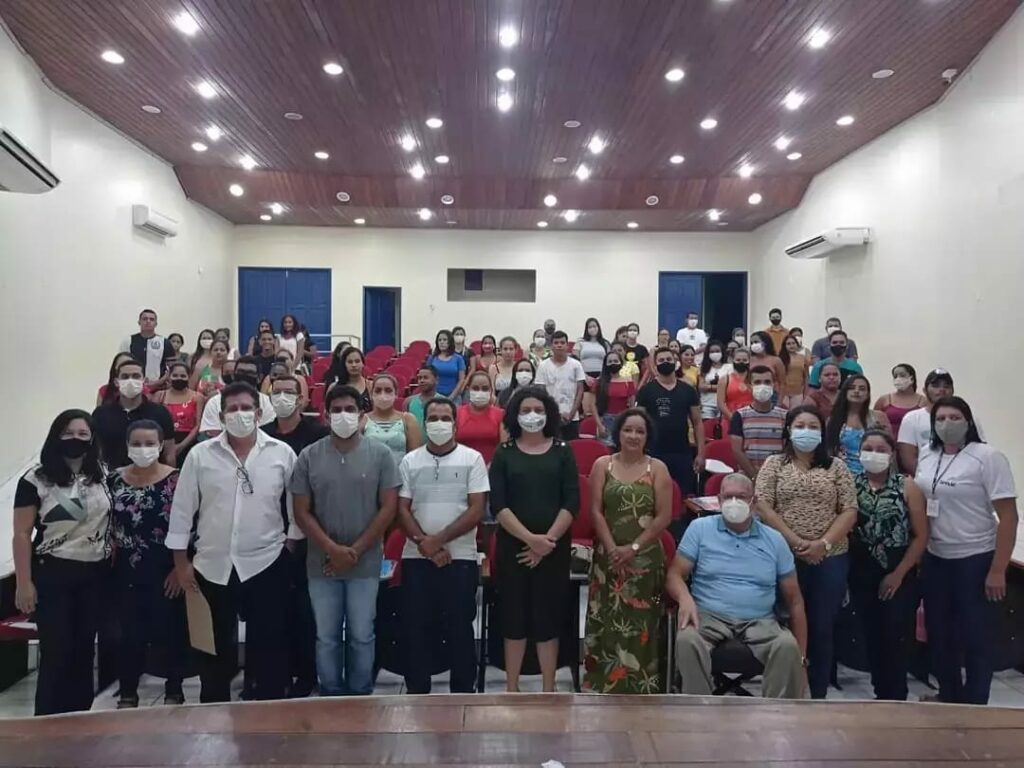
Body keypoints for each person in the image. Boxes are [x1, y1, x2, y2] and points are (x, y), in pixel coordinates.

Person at [168, 381, 300, 702]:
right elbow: (182, 511)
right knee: (213, 653)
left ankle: (266, 713)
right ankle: (215, 714)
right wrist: (181, 564)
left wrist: (290, 546)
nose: (239, 414)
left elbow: (295, 508)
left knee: (268, 649)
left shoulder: (281, 453)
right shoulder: (200, 455)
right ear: (221, 415)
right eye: (232, 409)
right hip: (212, 565)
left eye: (246, 408)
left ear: (258, 413)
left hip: (266, 562)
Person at [291, 384, 401, 696]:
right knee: (326, 636)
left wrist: (354, 551)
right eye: (336, 410)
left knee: (362, 634)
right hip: (321, 563)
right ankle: (330, 693)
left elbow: (389, 508)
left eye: (349, 409)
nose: (343, 415)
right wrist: (332, 550)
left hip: (365, 563)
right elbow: (301, 511)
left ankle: (360, 693)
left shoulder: (380, 454)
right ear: (325, 416)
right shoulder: (309, 456)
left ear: (361, 414)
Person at [667, 473, 807, 699]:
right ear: (719, 500)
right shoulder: (699, 529)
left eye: (741, 497)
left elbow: (795, 600)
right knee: (687, 640)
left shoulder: (775, 540)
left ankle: (777, 715)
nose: (734, 502)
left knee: (787, 646)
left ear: (754, 501)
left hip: (760, 619)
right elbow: (674, 575)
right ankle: (697, 710)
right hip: (708, 615)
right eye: (728, 497)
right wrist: (685, 599)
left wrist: (802, 660)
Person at [915, 396, 1017, 705]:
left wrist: (998, 570)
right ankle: (949, 696)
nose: (947, 424)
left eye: (954, 417)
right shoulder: (928, 454)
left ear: (968, 422)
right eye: (940, 418)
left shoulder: (988, 457)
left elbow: (1008, 517)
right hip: (936, 558)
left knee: (976, 637)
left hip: (975, 559)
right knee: (939, 634)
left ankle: (974, 704)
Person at [13, 410, 111, 715]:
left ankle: (78, 721)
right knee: (57, 653)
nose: (75, 439)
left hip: (94, 575)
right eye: (68, 433)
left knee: (84, 653)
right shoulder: (36, 479)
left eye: (83, 434)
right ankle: (47, 723)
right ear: (56, 436)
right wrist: (23, 583)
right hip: (53, 573)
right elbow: (21, 534)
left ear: (92, 439)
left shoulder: (103, 475)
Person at [756, 405, 858, 699]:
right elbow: (763, 505)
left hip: (830, 556)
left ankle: (818, 693)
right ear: (788, 430)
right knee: (785, 622)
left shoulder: (836, 466)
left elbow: (849, 510)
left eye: (813, 426)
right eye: (800, 426)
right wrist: (794, 541)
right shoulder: (775, 464)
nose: (806, 431)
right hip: (784, 555)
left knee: (822, 626)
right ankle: (786, 689)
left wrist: (822, 544)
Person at [489, 386, 580, 692]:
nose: (532, 415)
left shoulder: (563, 451)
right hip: (513, 548)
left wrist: (546, 543)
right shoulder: (504, 453)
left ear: (549, 414)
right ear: (515, 415)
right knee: (513, 617)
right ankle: (512, 688)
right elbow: (498, 505)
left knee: (548, 618)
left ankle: (548, 688)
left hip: (554, 549)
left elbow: (571, 502)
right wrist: (531, 540)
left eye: (538, 410)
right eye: (526, 410)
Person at [397, 397, 489, 693]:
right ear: (425, 424)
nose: (439, 423)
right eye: (433, 418)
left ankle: (462, 691)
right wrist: (425, 545)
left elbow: (476, 509)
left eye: (445, 418)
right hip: (416, 557)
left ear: (455, 423)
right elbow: (401, 509)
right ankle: (417, 692)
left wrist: (437, 541)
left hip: (460, 557)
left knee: (460, 626)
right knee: (416, 626)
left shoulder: (472, 459)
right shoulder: (410, 461)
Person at [584, 409, 672, 693]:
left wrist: (633, 548)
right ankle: (603, 685)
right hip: (608, 560)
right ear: (618, 433)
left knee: (642, 626)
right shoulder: (603, 465)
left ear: (647, 437)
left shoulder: (657, 468)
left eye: (640, 431)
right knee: (607, 622)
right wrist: (613, 549)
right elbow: (596, 512)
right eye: (628, 430)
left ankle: (641, 688)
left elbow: (663, 517)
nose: (633, 436)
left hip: (645, 561)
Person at [108, 420, 187, 708]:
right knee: (128, 633)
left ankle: (174, 689)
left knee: (171, 630)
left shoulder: (177, 479)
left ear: (161, 445)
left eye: (150, 443)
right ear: (127, 446)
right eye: (137, 444)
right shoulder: (113, 480)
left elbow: (191, 524)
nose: (143, 449)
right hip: (124, 570)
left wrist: (181, 568)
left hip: (167, 568)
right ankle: (127, 692)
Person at [261, 374, 327, 698]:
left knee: (305, 609)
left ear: (303, 399)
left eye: (290, 392)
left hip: (309, 529)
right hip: (269, 531)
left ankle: (306, 674)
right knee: (273, 611)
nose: (283, 397)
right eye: (278, 392)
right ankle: (273, 675)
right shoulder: (262, 435)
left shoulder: (317, 434)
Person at [849, 430, 928, 701]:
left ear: (892, 454)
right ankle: (880, 694)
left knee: (896, 637)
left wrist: (898, 575)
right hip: (862, 571)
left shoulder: (907, 486)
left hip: (899, 570)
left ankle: (896, 697)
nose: (874, 454)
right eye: (868, 448)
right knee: (871, 635)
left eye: (881, 450)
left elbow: (921, 536)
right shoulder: (850, 484)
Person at [636, 347, 705, 494]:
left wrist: (701, 453)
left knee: (683, 494)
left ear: (676, 362)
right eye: (661, 360)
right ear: (655, 364)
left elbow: (698, 422)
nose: (665, 362)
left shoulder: (688, 390)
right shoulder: (645, 391)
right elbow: (639, 424)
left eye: (669, 359)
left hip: (682, 452)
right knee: (654, 493)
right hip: (654, 452)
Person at [897, 369, 985, 476]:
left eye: (946, 386)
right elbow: (908, 459)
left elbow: (979, 448)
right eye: (936, 386)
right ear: (925, 390)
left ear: (952, 391)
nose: (941, 390)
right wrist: (929, 478)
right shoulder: (912, 418)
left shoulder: (968, 417)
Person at [93, 358, 176, 468]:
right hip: (112, 475)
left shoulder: (160, 413)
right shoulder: (101, 414)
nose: (130, 381)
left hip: (152, 475)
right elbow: (96, 451)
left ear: (144, 381)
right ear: (116, 382)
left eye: (136, 376)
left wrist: (171, 477)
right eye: (125, 377)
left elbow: (169, 454)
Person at [729, 366, 788, 479]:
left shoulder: (785, 416)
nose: (762, 386)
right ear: (749, 386)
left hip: (777, 476)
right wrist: (755, 476)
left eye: (767, 382)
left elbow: (787, 450)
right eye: (757, 382)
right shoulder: (739, 416)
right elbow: (737, 451)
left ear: (774, 385)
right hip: (747, 476)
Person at [826, 375, 892, 474]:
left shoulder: (878, 417)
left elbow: (890, 447)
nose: (856, 391)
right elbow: (829, 450)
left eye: (862, 389)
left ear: (868, 394)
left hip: (874, 474)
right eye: (852, 388)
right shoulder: (833, 419)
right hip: (841, 474)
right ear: (845, 392)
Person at [199, 356, 276, 436]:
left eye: (250, 373)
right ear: (233, 375)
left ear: (259, 378)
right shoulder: (214, 402)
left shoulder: (267, 402)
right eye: (240, 372)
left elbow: (267, 431)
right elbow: (212, 433)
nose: (244, 376)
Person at [534, 331, 586, 440]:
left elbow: (580, 391)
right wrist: (555, 413)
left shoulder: (576, 365)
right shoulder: (543, 366)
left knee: (571, 447)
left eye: (562, 343)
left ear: (567, 345)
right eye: (556, 343)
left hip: (572, 418)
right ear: (551, 346)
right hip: (550, 417)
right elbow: (541, 393)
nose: (559, 345)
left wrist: (571, 414)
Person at [152, 361, 205, 465]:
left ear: (188, 377)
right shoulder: (159, 396)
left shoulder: (197, 397)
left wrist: (181, 446)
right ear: (169, 377)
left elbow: (198, 425)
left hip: (188, 442)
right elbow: (153, 422)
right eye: (175, 375)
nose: (179, 378)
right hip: (162, 441)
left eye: (183, 376)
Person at [364, 373, 423, 463]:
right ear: (371, 394)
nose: (383, 395)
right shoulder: (362, 420)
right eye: (378, 391)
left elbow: (415, 457)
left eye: (388, 390)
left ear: (396, 394)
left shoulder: (408, 419)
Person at [456, 371, 505, 464]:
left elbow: (504, 446)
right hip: (462, 466)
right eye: (475, 388)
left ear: (491, 390)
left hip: (492, 466)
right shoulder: (457, 413)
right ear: (468, 389)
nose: (480, 392)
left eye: (485, 388)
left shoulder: (500, 414)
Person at [120, 308, 176, 385]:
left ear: (156, 323)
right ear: (139, 322)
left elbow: (172, 368)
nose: (148, 321)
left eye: (151, 319)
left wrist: (158, 382)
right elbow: (121, 364)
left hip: (159, 386)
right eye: (145, 319)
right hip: (133, 385)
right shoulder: (128, 341)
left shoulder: (165, 342)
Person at [593, 350, 637, 443]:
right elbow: (593, 405)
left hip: (623, 420)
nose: (613, 363)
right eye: (610, 361)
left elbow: (632, 407)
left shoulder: (628, 382)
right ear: (606, 364)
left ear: (621, 363)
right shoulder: (600, 382)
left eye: (616, 361)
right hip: (605, 421)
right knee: (606, 448)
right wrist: (599, 425)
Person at [874, 363, 928, 436]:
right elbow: (873, 423)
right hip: (888, 441)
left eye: (902, 375)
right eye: (895, 376)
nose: (898, 379)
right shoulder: (884, 400)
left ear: (912, 379)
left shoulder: (924, 401)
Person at [578, 318, 610, 415]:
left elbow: (609, 360)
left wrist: (601, 377)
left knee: (600, 405)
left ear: (598, 328)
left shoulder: (605, 343)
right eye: (590, 327)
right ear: (586, 329)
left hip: (601, 376)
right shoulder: (580, 342)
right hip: (584, 376)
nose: (592, 329)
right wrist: (585, 376)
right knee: (586, 406)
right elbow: (576, 361)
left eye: (594, 326)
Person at [717, 347, 754, 426]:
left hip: (751, 419)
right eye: (738, 360)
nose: (741, 362)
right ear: (733, 360)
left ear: (749, 361)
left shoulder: (754, 379)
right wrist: (733, 419)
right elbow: (720, 403)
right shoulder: (725, 379)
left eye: (744, 360)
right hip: (730, 420)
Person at [326, 346, 371, 410]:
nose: (354, 365)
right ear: (344, 364)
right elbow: (327, 412)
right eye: (350, 362)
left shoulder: (370, 386)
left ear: (363, 364)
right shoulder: (333, 387)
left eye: (357, 361)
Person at [698, 340, 732, 421]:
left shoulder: (729, 367)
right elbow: (701, 387)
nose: (715, 354)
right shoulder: (703, 368)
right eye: (712, 352)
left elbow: (729, 387)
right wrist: (721, 387)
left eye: (717, 351)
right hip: (706, 405)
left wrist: (709, 386)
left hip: (724, 405)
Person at [429, 330, 468, 400]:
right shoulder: (432, 358)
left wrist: (452, 396)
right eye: (439, 340)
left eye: (444, 340)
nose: (442, 342)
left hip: (454, 395)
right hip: (434, 396)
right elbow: (428, 377)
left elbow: (461, 379)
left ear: (450, 342)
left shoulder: (458, 358)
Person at [406, 364, 439, 434]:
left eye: (425, 378)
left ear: (436, 380)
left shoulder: (444, 402)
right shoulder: (408, 401)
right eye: (420, 378)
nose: (422, 380)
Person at [779, 333, 809, 402]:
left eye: (793, 343)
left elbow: (806, 377)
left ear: (797, 344)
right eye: (788, 344)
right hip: (783, 393)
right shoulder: (780, 359)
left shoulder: (803, 358)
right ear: (784, 346)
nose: (791, 345)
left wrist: (806, 393)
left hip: (798, 392)